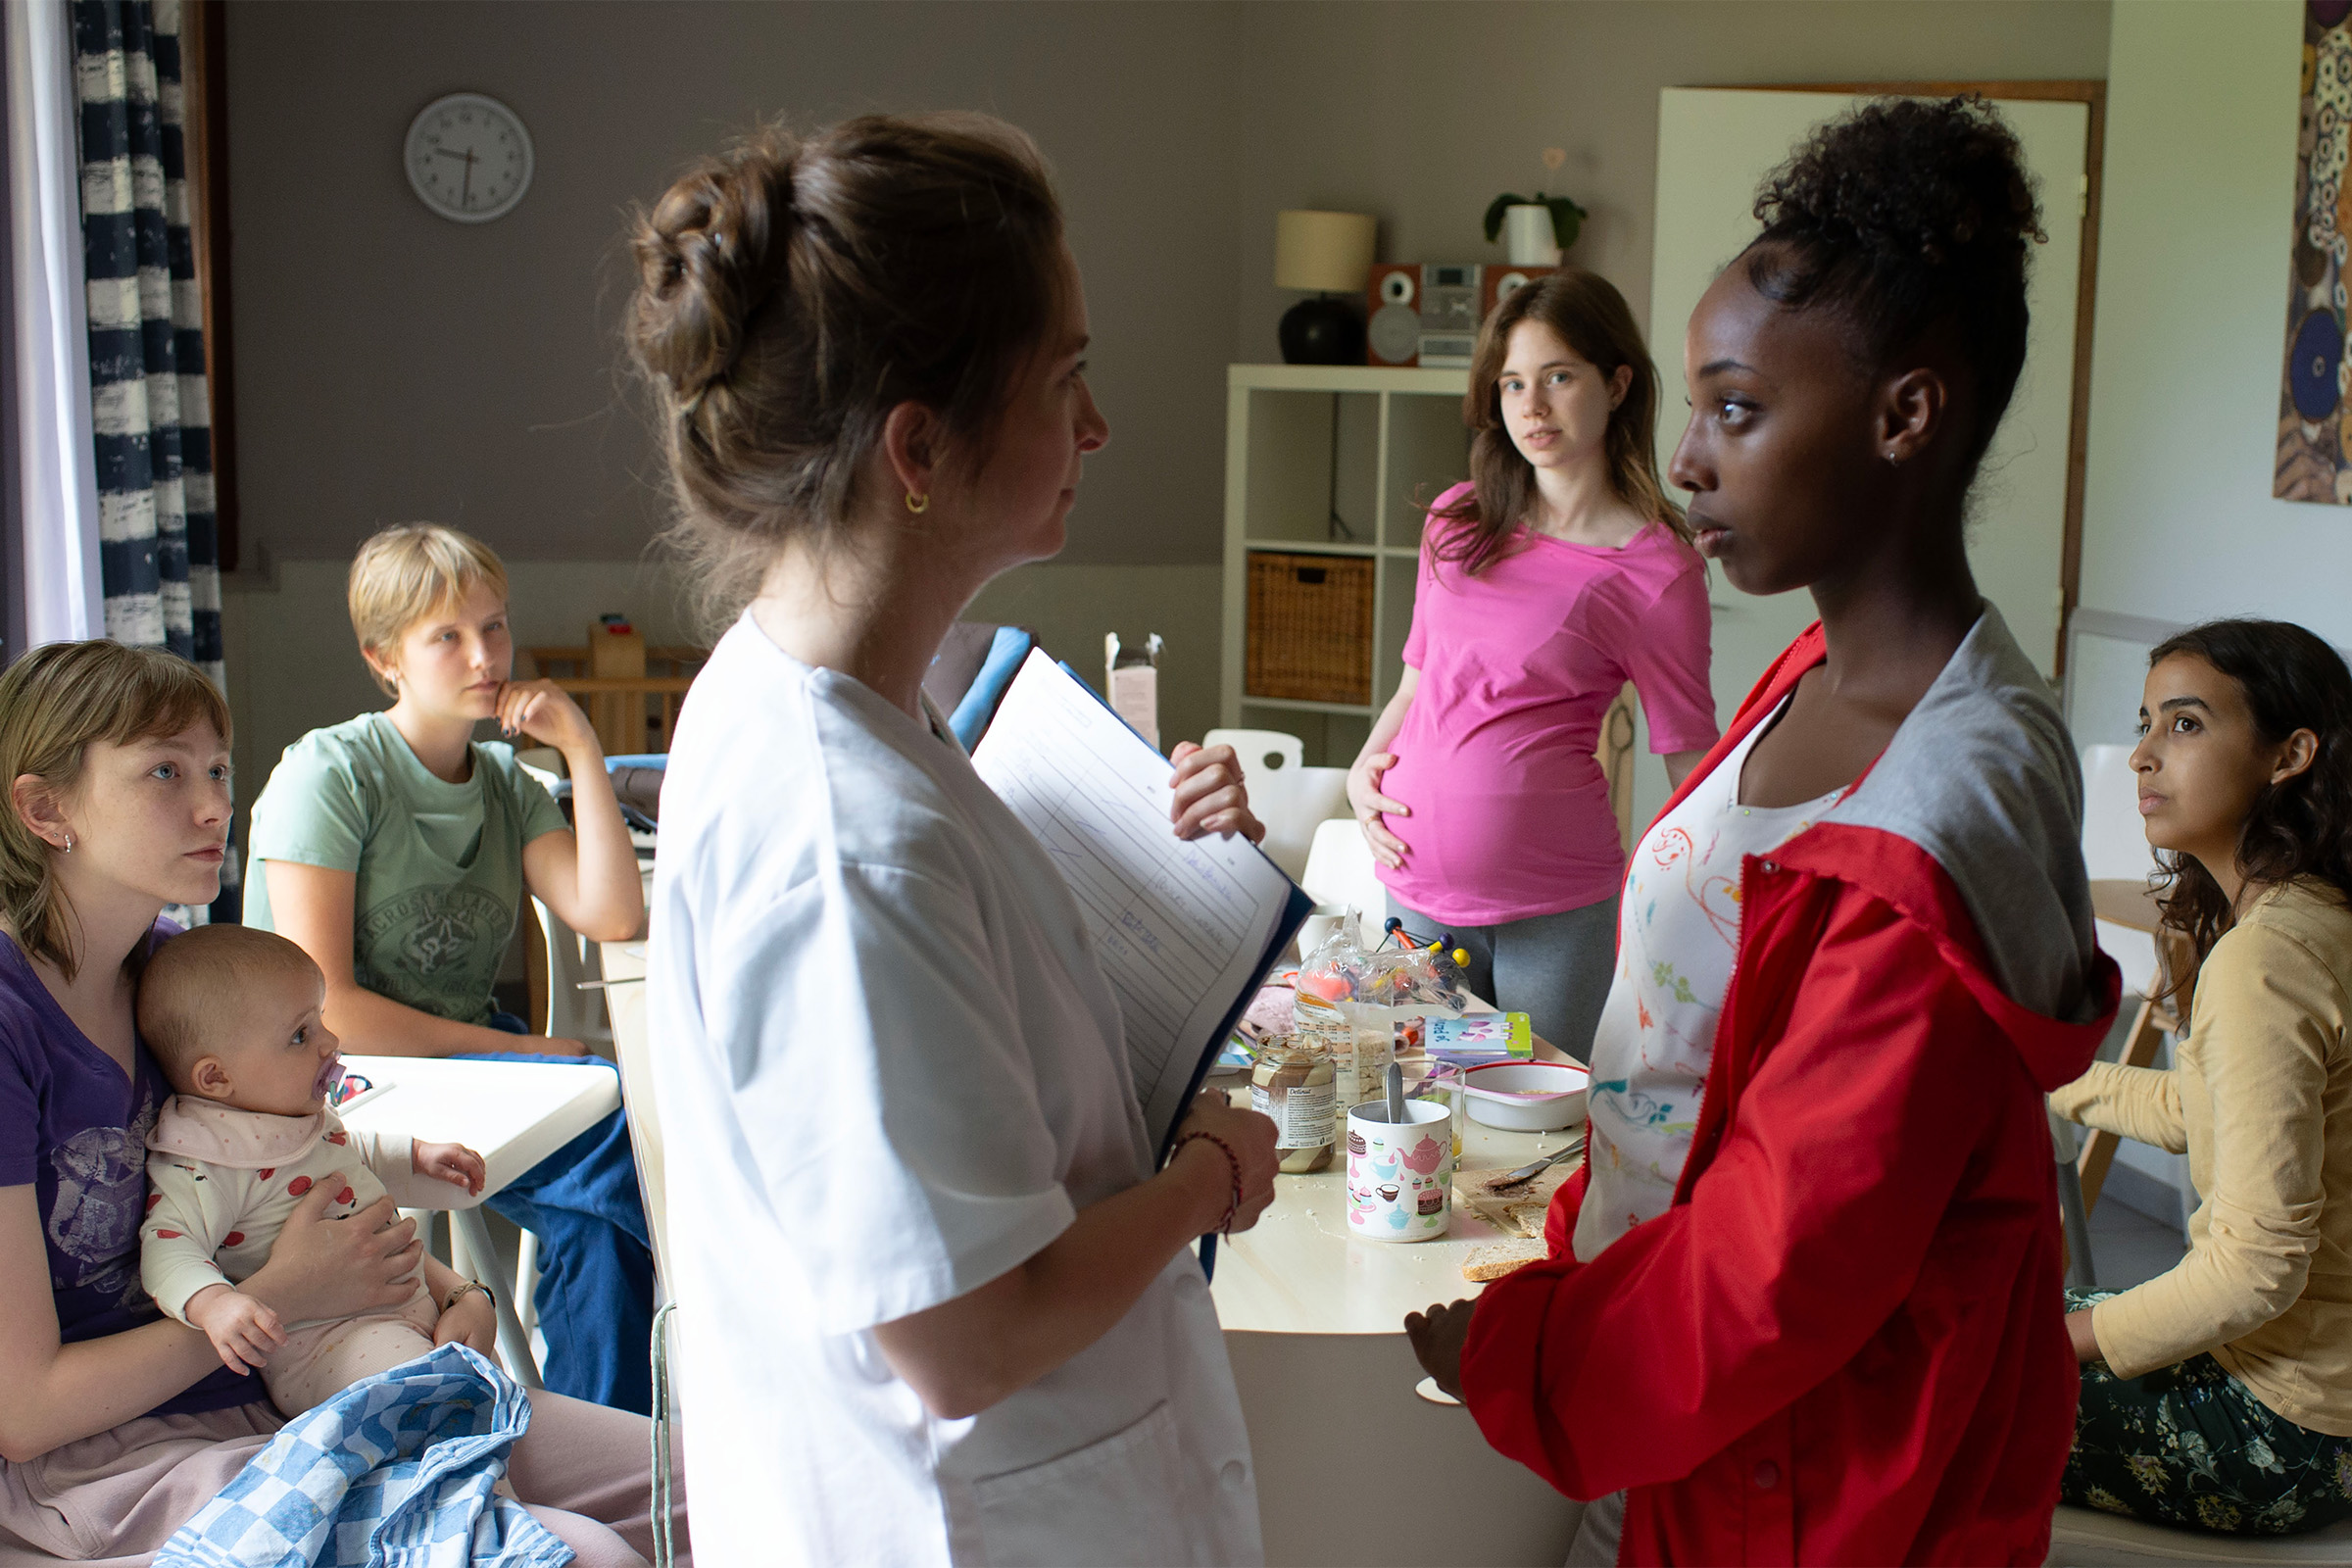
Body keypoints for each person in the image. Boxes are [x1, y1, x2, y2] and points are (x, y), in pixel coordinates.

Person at [1403, 96, 2121, 1563]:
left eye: (1737, 410)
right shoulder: (1812, 673)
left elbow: (1779, 1268)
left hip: (1801, 1473)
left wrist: (1518, 1357)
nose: (1692, 459)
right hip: (1680, 1419)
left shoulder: (1949, 796)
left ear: (1903, 415)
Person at [627, 114, 1279, 1565]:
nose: (1097, 428)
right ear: (918, 448)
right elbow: (971, 1333)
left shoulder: (831, 701)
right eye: (1066, 379)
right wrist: (1207, 1181)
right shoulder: (843, 836)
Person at [0, 639, 682, 1566]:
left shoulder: (177, 980)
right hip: (116, 1459)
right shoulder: (9, 1026)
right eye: (164, 771)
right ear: (45, 809)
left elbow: (311, 1165)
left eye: (215, 769)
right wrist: (287, 1294)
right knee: (579, 1553)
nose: (213, 806)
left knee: (707, 1478)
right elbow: (24, 1410)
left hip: (296, 1382)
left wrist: (460, 1295)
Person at [242, 523, 656, 1413]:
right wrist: (530, 1048)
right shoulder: (333, 774)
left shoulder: (506, 781)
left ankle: (607, 1437)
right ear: (383, 657)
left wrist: (580, 747)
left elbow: (614, 912)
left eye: (495, 627)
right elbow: (330, 1012)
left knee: (611, 1188)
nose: (486, 655)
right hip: (332, 1077)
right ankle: (622, 1428)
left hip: (462, 1060)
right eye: (448, 636)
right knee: (623, 1148)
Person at [1347, 270, 1715, 1059]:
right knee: (1420, 1098)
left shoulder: (1654, 569)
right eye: (1512, 383)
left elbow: (1690, 755)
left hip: (1554, 911)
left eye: (1557, 377)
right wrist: (1361, 770)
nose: (1532, 407)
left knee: (1536, 1138)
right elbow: (1418, 682)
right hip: (1415, 893)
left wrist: (1751, 896)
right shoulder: (1455, 519)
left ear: (1616, 384)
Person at [2052, 619, 2352, 1536]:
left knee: (1907, 1380)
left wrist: (2048, 1352)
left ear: (2289, 754)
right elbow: (2207, 1112)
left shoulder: (2267, 960)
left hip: (2282, 1425)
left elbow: (2257, 1271)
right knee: (1965, 1308)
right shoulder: (2312, 913)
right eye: (2145, 724)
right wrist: (2047, 1081)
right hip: (2313, 1388)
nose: (2143, 756)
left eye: (2184, 726)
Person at [137, 922, 492, 1416]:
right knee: (443, 1409)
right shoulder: (204, 1160)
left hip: (410, 1317)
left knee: (482, 1407)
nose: (331, 1042)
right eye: (300, 1035)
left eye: (321, 1020)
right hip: (329, 1350)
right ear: (216, 1077)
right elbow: (167, 1248)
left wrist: (414, 1155)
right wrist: (215, 1304)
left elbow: (348, 1153)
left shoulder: (297, 1115)